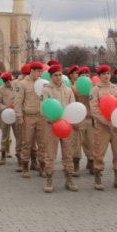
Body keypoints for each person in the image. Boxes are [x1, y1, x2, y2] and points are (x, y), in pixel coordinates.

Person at [41, 64, 78, 193]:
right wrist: (52, 119)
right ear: (51, 77)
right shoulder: (46, 90)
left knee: (68, 153)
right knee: (50, 154)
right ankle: (49, 180)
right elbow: (44, 108)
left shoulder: (68, 90)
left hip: (66, 126)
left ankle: (69, 179)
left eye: (60, 75)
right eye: (55, 75)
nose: (58, 77)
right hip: (52, 126)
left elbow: (72, 106)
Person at [89, 65, 117, 191]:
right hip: (102, 126)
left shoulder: (116, 90)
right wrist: (106, 122)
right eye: (103, 74)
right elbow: (94, 109)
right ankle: (98, 176)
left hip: (116, 126)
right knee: (99, 152)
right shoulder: (95, 90)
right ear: (99, 76)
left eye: (108, 73)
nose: (106, 76)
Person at [14, 61, 46, 179]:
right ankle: (25, 167)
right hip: (28, 117)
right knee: (26, 143)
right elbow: (18, 102)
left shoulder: (43, 83)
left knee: (42, 143)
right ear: (32, 71)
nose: (39, 74)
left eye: (41, 71)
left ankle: (42, 166)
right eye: (38, 71)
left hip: (41, 116)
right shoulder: (22, 84)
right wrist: (19, 117)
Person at [0, 72, 16, 165]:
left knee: (19, 136)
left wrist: (16, 107)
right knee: (5, 136)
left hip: (15, 115)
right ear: (4, 82)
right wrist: (6, 107)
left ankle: (20, 156)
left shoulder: (17, 88)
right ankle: (3, 155)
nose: (9, 82)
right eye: (6, 81)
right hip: (5, 115)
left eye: (10, 80)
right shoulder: (1, 89)